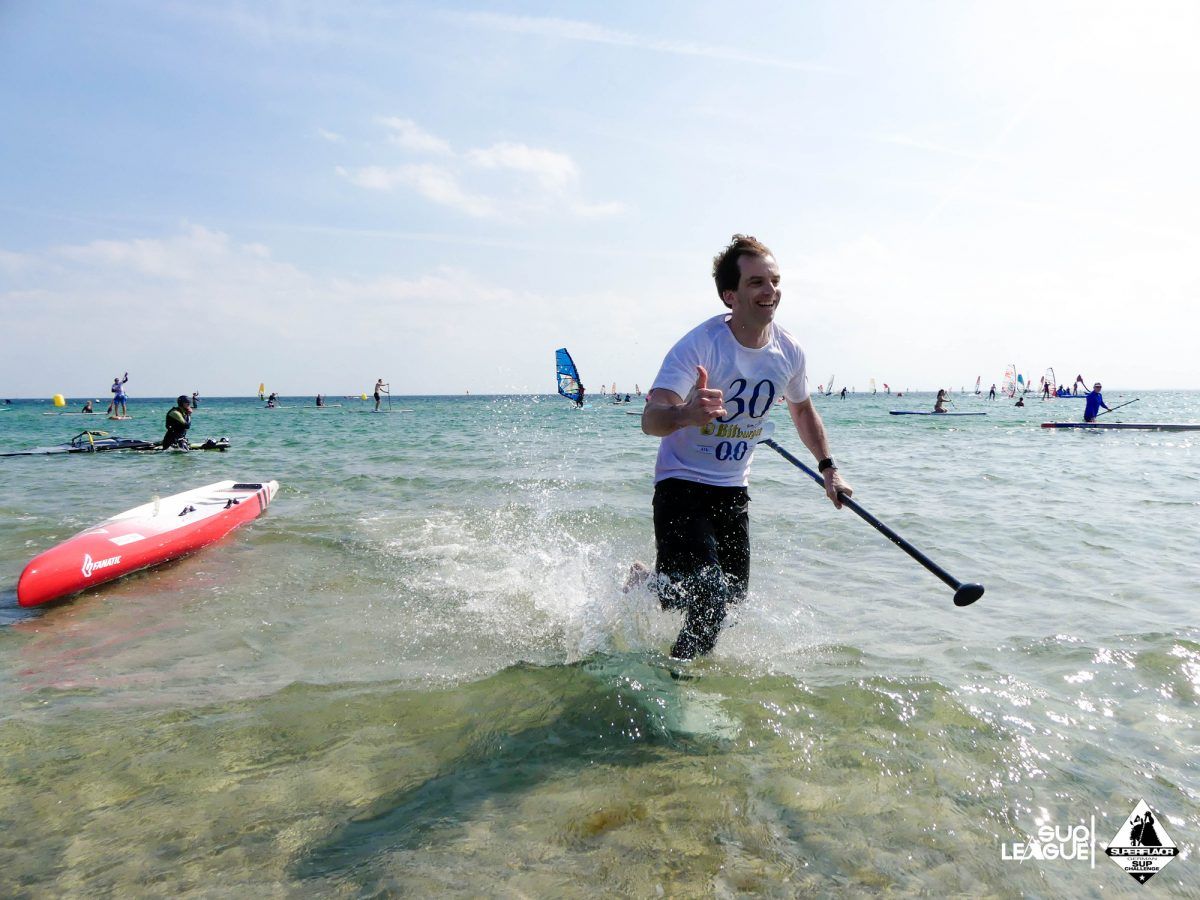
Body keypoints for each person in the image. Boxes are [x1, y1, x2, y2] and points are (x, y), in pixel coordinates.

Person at [626, 234, 851, 660]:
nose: (770, 291)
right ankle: (678, 682)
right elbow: (651, 419)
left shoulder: (789, 350)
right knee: (707, 597)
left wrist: (828, 468)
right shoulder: (700, 345)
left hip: (732, 490)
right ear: (731, 295)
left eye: (774, 281)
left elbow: (802, 412)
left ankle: (649, 582)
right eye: (756, 283)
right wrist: (686, 415)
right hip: (681, 484)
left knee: (728, 599)